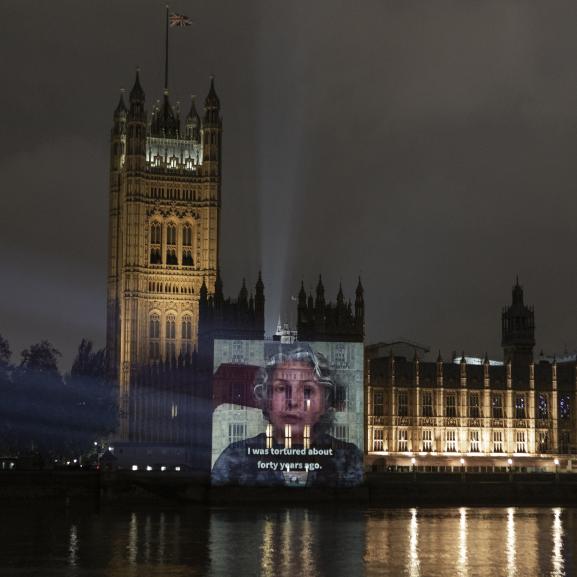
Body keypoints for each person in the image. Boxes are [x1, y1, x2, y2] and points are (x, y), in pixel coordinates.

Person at [211, 345, 363, 487]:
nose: (293, 402)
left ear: (325, 402)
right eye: (281, 388)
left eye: (307, 391)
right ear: (265, 398)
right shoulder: (234, 458)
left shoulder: (349, 459)